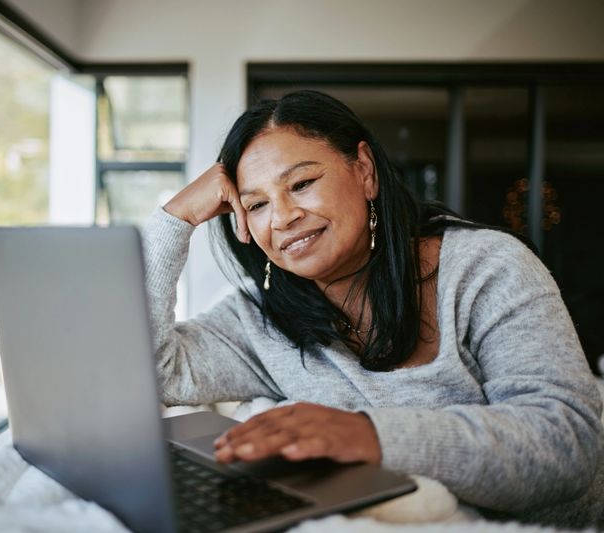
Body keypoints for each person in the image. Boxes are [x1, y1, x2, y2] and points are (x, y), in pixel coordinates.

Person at [142, 90, 603, 527]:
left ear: (364, 170)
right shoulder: (257, 317)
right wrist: (174, 219)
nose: (282, 218)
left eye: (301, 183)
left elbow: (567, 443)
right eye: (256, 204)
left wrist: (368, 435)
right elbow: (152, 370)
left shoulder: (487, 268)